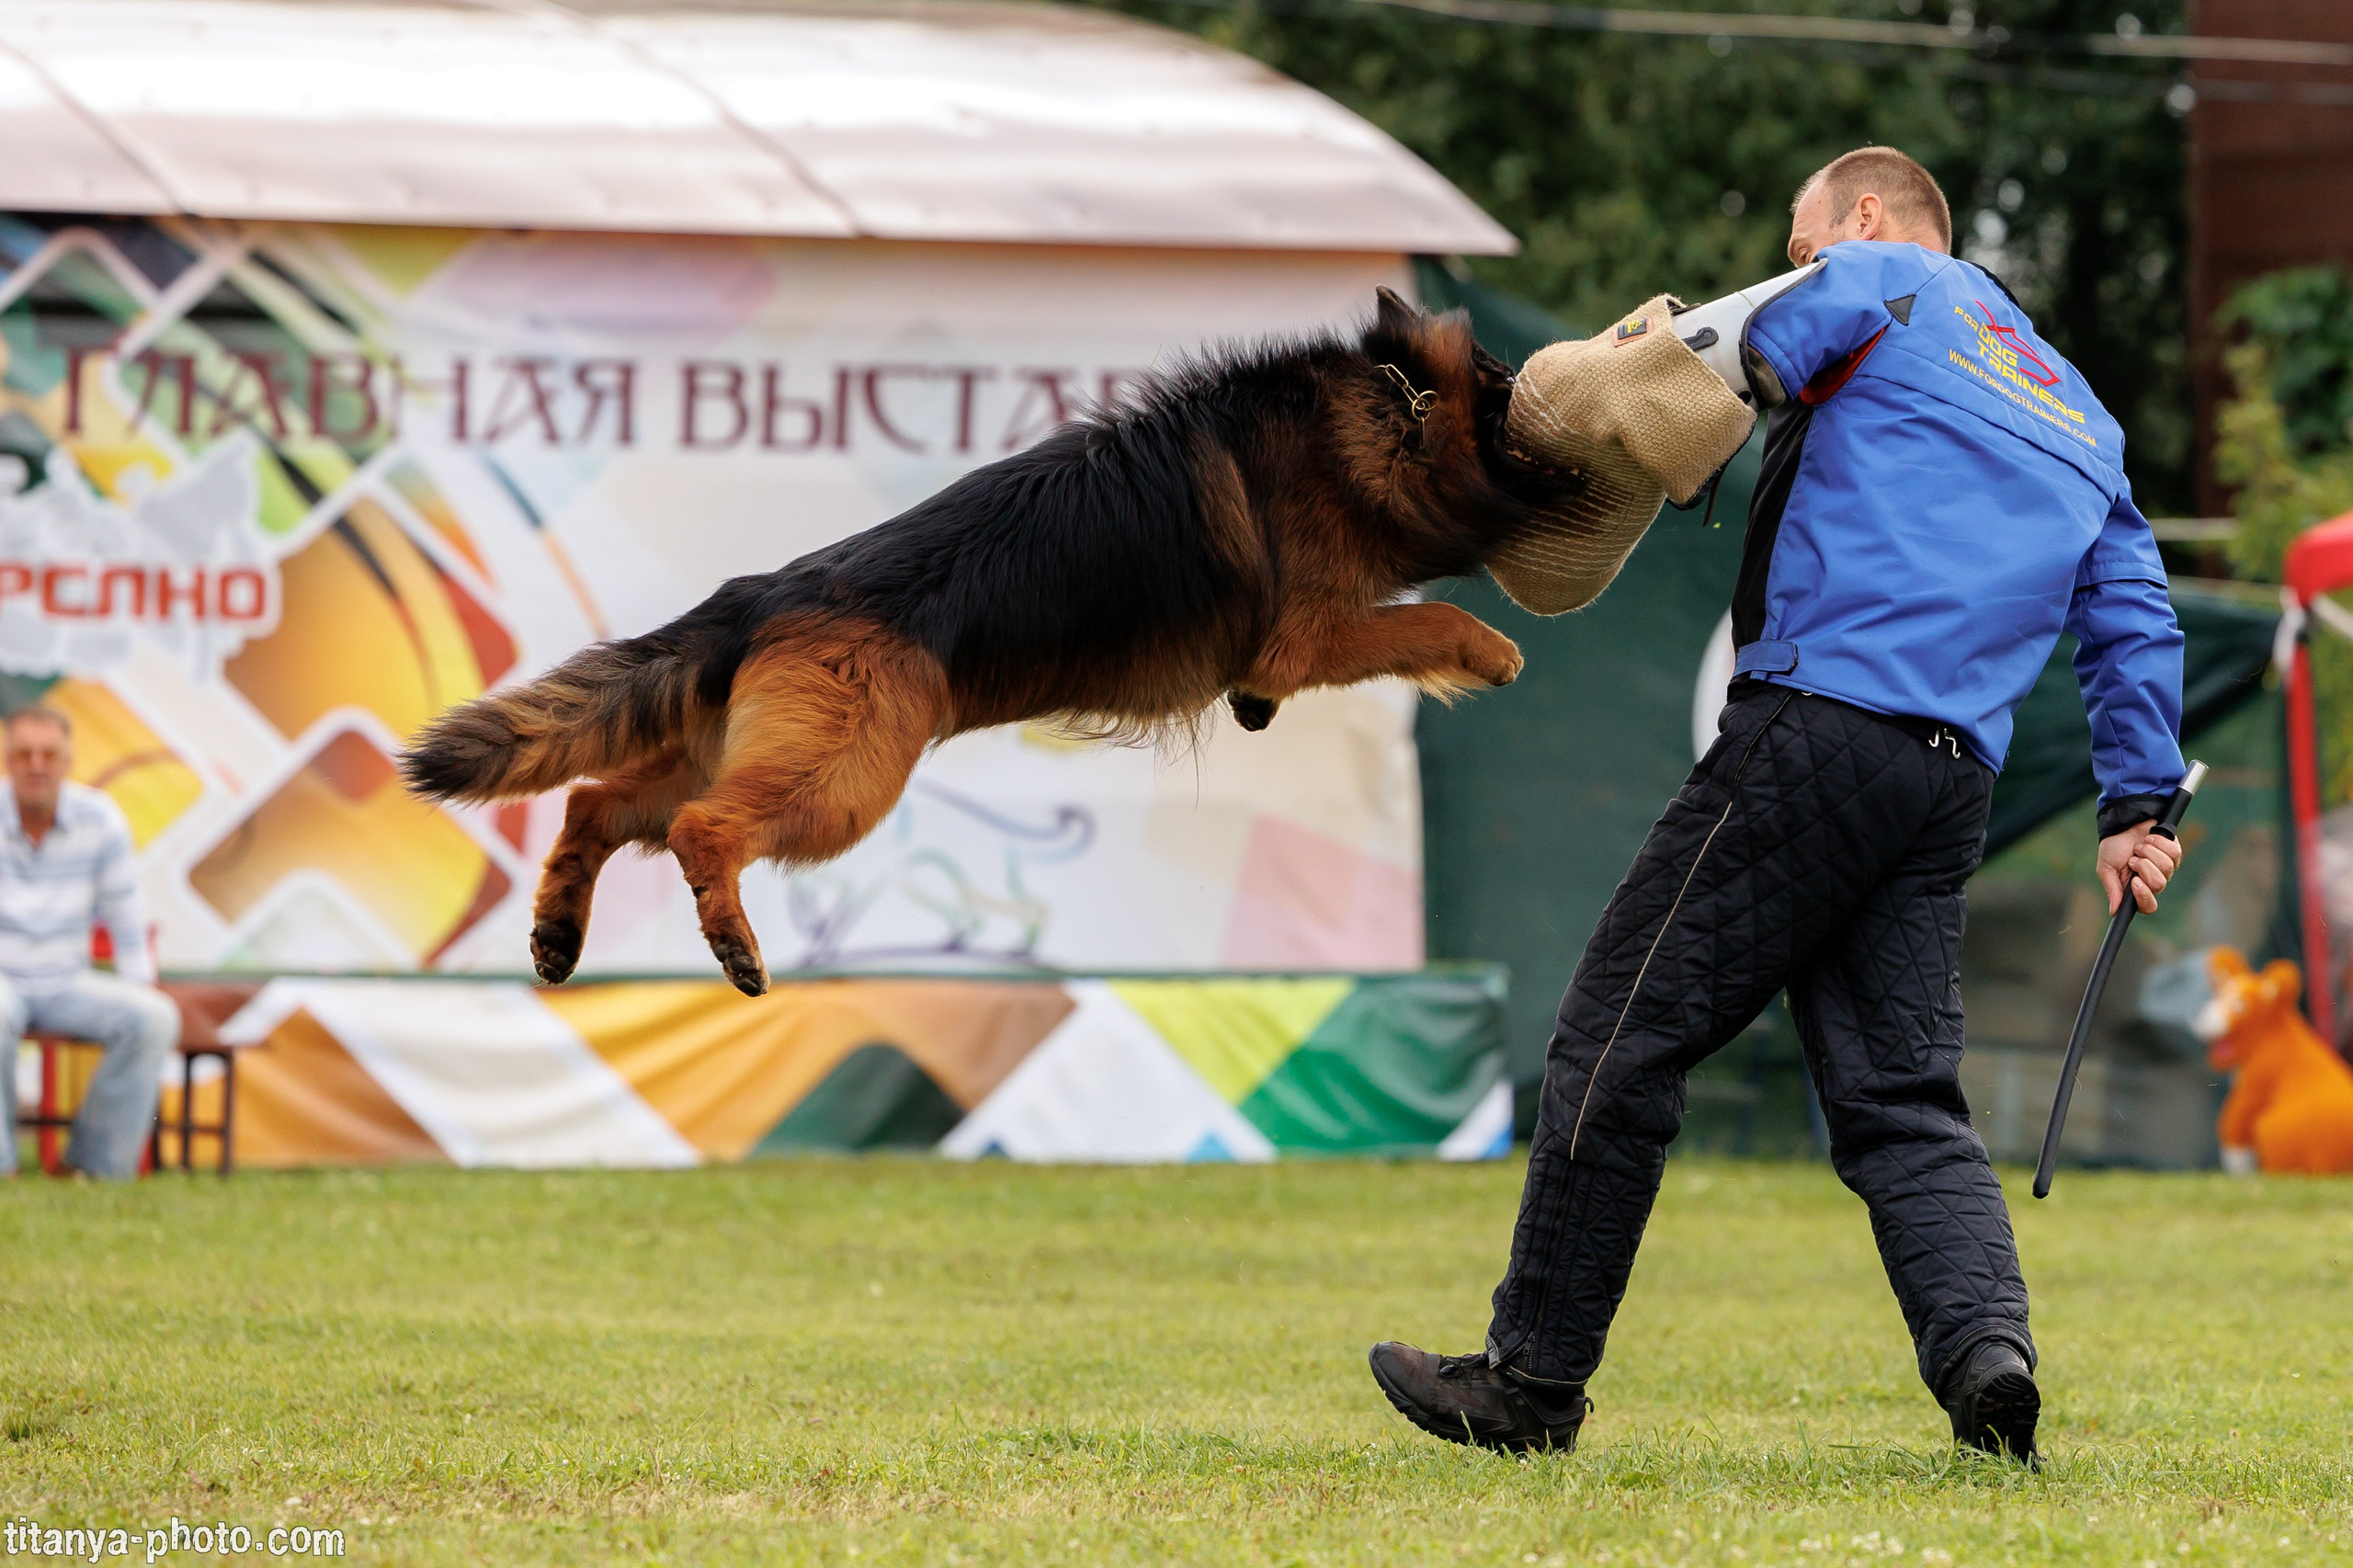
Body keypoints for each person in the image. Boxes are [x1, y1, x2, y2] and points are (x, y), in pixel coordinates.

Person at [1369, 146, 2188, 1462]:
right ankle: (1990, 1365)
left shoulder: (1878, 280)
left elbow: (1709, 364)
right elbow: (2135, 620)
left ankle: (1530, 1382)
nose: (1798, 261)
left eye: (1801, 239)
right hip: (1948, 781)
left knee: (1617, 1035)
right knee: (1903, 1097)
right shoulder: (2084, 413)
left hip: (1818, 728)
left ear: (1866, 218)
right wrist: (2136, 806)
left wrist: (1539, 429)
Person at [0, 705, 177, 1179]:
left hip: (67, 980)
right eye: (23, 754)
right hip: (3, 979)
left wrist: (140, 984)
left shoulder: (100, 819)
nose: (36, 765)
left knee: (155, 1018)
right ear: (6, 760)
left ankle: (96, 1168)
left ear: (67, 761)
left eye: (48, 754)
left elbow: (125, 914)